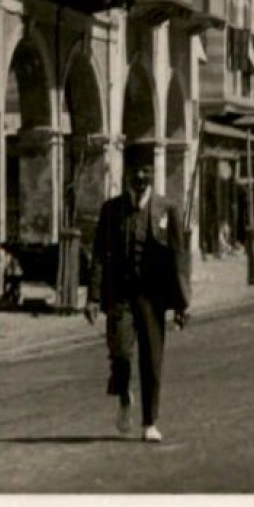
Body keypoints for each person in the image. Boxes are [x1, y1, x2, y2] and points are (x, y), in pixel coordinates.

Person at [86, 163, 191, 443]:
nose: (140, 178)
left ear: (151, 177)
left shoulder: (167, 210)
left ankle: (149, 422)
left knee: (151, 360)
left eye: (145, 172)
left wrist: (182, 303)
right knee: (119, 351)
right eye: (135, 174)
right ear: (126, 178)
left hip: (153, 297)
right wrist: (93, 297)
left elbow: (179, 258)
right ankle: (123, 396)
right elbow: (98, 255)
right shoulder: (111, 211)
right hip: (120, 295)